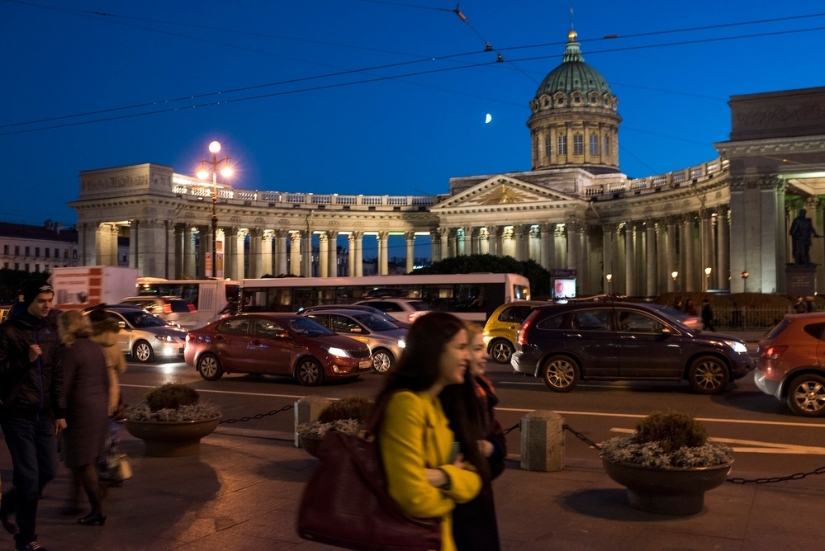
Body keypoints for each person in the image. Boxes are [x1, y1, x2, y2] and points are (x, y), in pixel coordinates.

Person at [376, 312, 483, 551]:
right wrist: (453, 493)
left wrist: (441, 477)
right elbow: (412, 497)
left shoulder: (440, 403)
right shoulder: (406, 404)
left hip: (439, 539)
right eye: (461, 347)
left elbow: (475, 478)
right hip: (414, 541)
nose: (468, 357)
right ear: (435, 350)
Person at [0, 280, 66, 551]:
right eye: (41, 300)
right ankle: (26, 540)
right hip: (17, 414)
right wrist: (24, 359)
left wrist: (60, 413)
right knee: (28, 479)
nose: (47, 305)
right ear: (27, 301)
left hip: (45, 415)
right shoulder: (8, 331)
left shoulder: (51, 329)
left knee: (48, 470)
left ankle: (6, 506)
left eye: (50, 299)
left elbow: (57, 374)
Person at [448, 322, 506, 551]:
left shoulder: (481, 390)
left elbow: (496, 436)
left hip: (476, 490)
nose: (485, 355)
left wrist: (490, 448)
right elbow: (451, 444)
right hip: (463, 499)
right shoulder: (456, 394)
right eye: (475, 348)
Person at [57, 311, 109, 526]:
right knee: (84, 459)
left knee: (83, 461)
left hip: (79, 411)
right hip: (98, 407)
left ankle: (97, 510)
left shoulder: (70, 349)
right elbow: (105, 381)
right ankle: (76, 501)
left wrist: (57, 412)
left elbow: (63, 386)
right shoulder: (95, 347)